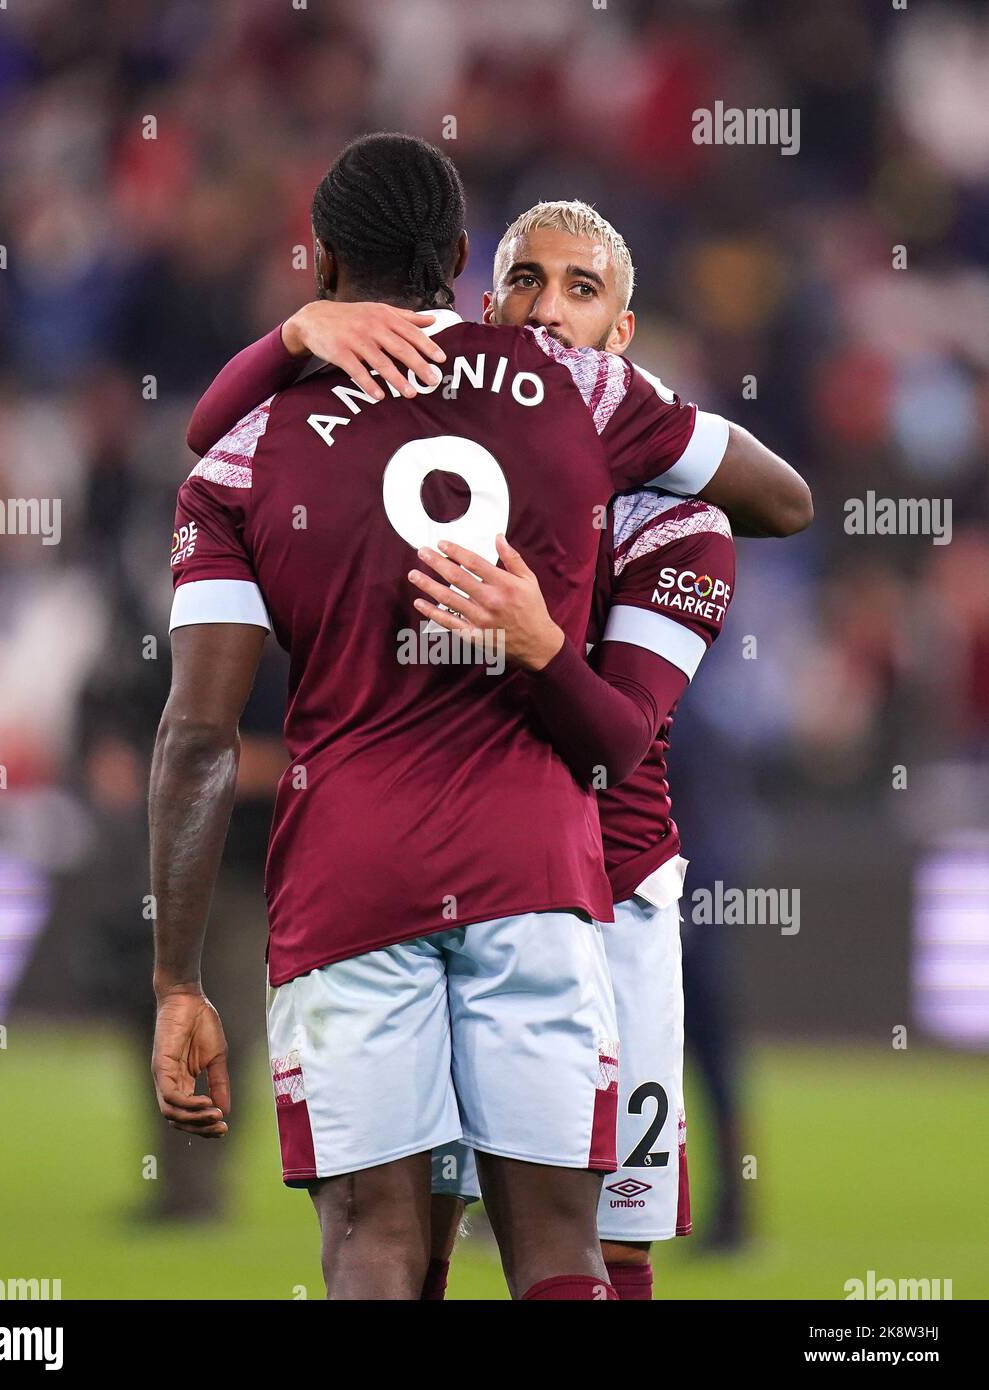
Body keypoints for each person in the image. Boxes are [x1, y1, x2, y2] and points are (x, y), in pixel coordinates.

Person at [149, 137, 754, 1301]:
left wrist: (179, 980)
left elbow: (194, 734)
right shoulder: (580, 397)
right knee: (553, 1249)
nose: (552, 311)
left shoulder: (248, 450)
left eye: (586, 291)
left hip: (398, 882)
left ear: (321, 259)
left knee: (386, 1241)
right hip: (544, 875)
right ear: (476, 275)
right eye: (532, 282)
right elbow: (784, 493)